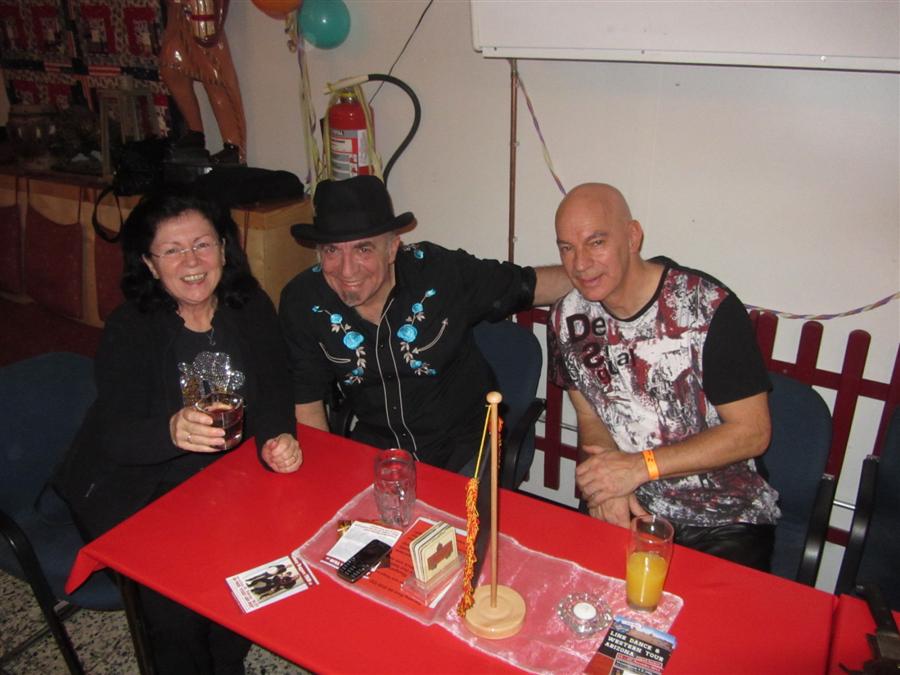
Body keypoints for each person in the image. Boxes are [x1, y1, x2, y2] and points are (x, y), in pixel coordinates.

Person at [54, 187, 301, 673]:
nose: (191, 261)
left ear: (223, 249)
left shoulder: (249, 305)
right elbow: (115, 435)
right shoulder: (130, 328)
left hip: (224, 480)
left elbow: (275, 388)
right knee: (176, 610)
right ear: (149, 264)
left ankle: (226, 659)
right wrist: (169, 431)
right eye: (171, 250)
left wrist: (277, 436)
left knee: (259, 569)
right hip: (138, 488)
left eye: (202, 244)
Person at [547, 182, 780, 571]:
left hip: (723, 518)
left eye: (596, 242)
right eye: (567, 248)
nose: (580, 264)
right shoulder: (566, 319)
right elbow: (590, 415)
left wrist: (638, 467)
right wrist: (606, 486)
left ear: (632, 236)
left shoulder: (706, 308)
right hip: (632, 502)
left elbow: (753, 433)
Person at [279, 175, 571, 473]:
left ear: (392, 248)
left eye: (363, 249)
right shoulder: (303, 302)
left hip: (466, 451)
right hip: (380, 457)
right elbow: (307, 402)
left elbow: (528, 285)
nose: (346, 270)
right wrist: (322, 476)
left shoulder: (440, 274)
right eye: (332, 251)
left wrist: (596, 275)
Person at [160, 0, 246, 164]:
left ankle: (234, 147)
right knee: (170, 67)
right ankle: (195, 133)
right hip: (176, 13)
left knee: (215, 78)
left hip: (201, 13)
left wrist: (217, 23)